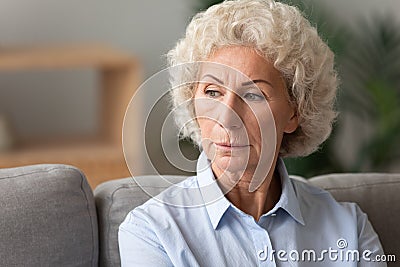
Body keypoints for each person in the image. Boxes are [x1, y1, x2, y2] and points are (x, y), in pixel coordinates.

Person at [119, 0, 386, 266]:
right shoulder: (151, 231)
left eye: (253, 95)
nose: (227, 118)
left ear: (295, 113)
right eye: (212, 92)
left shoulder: (350, 228)